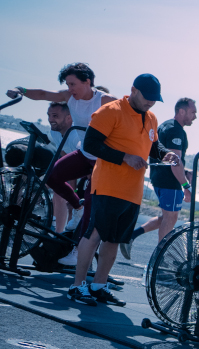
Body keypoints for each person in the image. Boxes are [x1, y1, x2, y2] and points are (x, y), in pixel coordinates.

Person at [67, 74, 177, 306]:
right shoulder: (111, 111)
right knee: (94, 233)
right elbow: (91, 145)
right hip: (107, 185)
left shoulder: (151, 118)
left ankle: (98, 285)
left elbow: (153, 145)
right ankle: (77, 286)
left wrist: (164, 153)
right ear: (133, 90)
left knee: (114, 239)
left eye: (155, 99)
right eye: (148, 98)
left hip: (133, 190)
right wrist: (125, 157)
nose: (151, 103)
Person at [8, 62, 119, 266]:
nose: (69, 89)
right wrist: (20, 90)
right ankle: (76, 207)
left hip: (103, 161)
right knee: (53, 176)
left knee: (91, 201)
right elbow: (43, 94)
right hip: (84, 154)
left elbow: (131, 115)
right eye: (67, 84)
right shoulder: (69, 97)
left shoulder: (105, 100)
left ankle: (78, 251)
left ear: (87, 82)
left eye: (73, 84)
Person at [121, 97, 198, 258]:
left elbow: (170, 158)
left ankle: (130, 236)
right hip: (169, 181)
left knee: (166, 216)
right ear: (181, 111)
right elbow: (174, 162)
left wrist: (186, 172)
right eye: (192, 112)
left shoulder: (165, 125)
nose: (195, 116)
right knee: (170, 218)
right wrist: (186, 186)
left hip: (158, 178)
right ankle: (159, 262)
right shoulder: (175, 130)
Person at [44, 102, 77, 234]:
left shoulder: (76, 136)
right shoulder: (55, 132)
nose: (50, 119)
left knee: (63, 196)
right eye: (49, 115)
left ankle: (65, 233)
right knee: (54, 190)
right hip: (72, 164)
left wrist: (73, 188)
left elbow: (84, 160)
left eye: (55, 115)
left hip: (88, 169)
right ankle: (58, 230)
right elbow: (62, 152)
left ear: (69, 117)